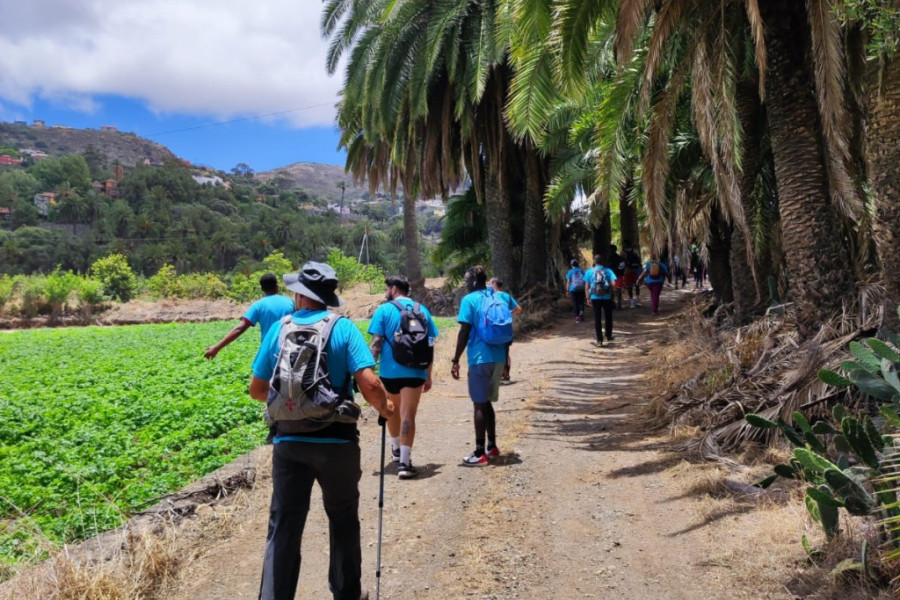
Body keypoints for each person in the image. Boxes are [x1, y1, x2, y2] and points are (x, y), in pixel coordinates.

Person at [248, 261, 394, 600]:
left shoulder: (279, 329)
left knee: (284, 525)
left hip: (288, 442)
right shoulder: (342, 328)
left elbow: (257, 390)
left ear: (300, 294)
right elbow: (370, 384)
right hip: (337, 443)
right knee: (343, 519)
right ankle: (346, 594)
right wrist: (387, 409)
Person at [368, 275, 439, 480]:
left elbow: (375, 343)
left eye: (387, 287)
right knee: (408, 414)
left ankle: (396, 447)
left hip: (390, 372)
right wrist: (428, 375)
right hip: (416, 370)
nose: (386, 291)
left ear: (394, 289)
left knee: (392, 411)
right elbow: (430, 344)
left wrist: (368, 372)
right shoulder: (422, 310)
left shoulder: (384, 310)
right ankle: (405, 463)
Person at [451, 266, 508, 466]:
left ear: (474, 281)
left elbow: (464, 331)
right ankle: (492, 446)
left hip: (480, 358)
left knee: (478, 404)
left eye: (467, 281)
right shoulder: (498, 297)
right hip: (499, 357)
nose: (465, 284)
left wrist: (456, 359)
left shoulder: (469, 300)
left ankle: (479, 452)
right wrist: (506, 361)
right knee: (487, 403)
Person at [204, 272, 294, 360]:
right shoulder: (291, 303)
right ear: (277, 287)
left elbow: (239, 329)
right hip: (290, 351)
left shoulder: (258, 306)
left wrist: (217, 347)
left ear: (262, 289)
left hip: (268, 352)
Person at [490, 277, 523, 382]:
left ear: (494, 284)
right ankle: (506, 376)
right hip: (506, 328)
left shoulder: (490, 296)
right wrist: (509, 313)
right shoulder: (507, 296)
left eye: (490, 283)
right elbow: (519, 309)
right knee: (505, 352)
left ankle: (498, 375)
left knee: (494, 351)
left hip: (494, 328)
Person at [585, 255, 617, 347]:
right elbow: (613, 283)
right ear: (602, 261)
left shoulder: (589, 271)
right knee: (608, 317)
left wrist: (588, 298)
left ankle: (599, 341)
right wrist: (611, 291)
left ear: (594, 261)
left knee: (597, 318)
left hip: (595, 297)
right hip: (607, 297)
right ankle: (608, 336)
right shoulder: (608, 271)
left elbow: (586, 287)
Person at [622, 240, 643, 308]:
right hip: (635, 270)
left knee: (629, 286)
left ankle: (631, 302)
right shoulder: (635, 251)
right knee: (637, 285)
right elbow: (639, 260)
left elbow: (622, 262)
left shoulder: (623, 253)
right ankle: (637, 300)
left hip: (627, 271)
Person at [607, 244, 625, 310]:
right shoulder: (620, 258)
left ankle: (614, 305)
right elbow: (622, 267)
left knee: (612, 290)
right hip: (618, 276)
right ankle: (618, 305)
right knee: (618, 291)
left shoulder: (608, 258)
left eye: (610, 249)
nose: (610, 251)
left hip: (612, 276)